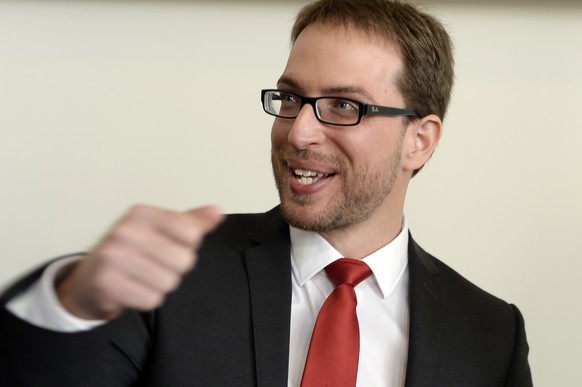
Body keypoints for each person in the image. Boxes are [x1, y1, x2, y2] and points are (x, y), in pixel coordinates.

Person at [0, 0, 533, 386]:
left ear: (419, 141)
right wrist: (70, 304)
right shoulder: (174, 273)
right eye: (291, 97)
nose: (298, 132)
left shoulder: (490, 334)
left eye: (344, 106)